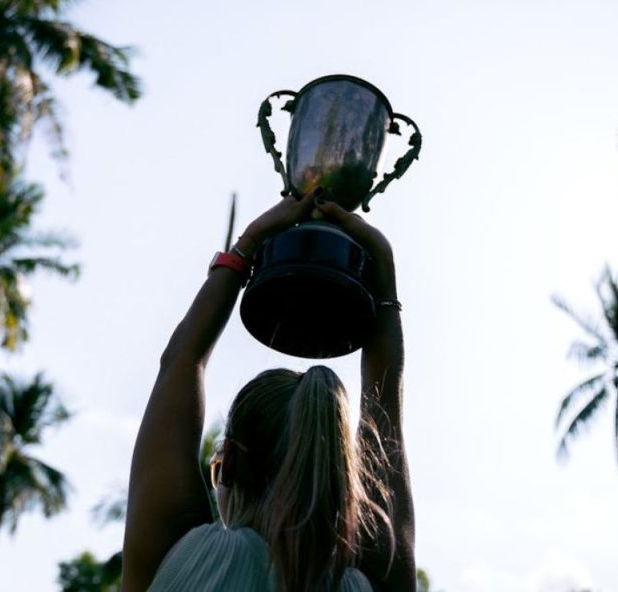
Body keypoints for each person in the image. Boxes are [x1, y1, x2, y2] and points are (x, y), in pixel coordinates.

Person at [122, 190, 414, 592]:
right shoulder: (360, 586)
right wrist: (383, 271)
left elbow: (180, 360)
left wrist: (248, 244)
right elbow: (385, 421)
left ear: (229, 467)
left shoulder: (183, 561)